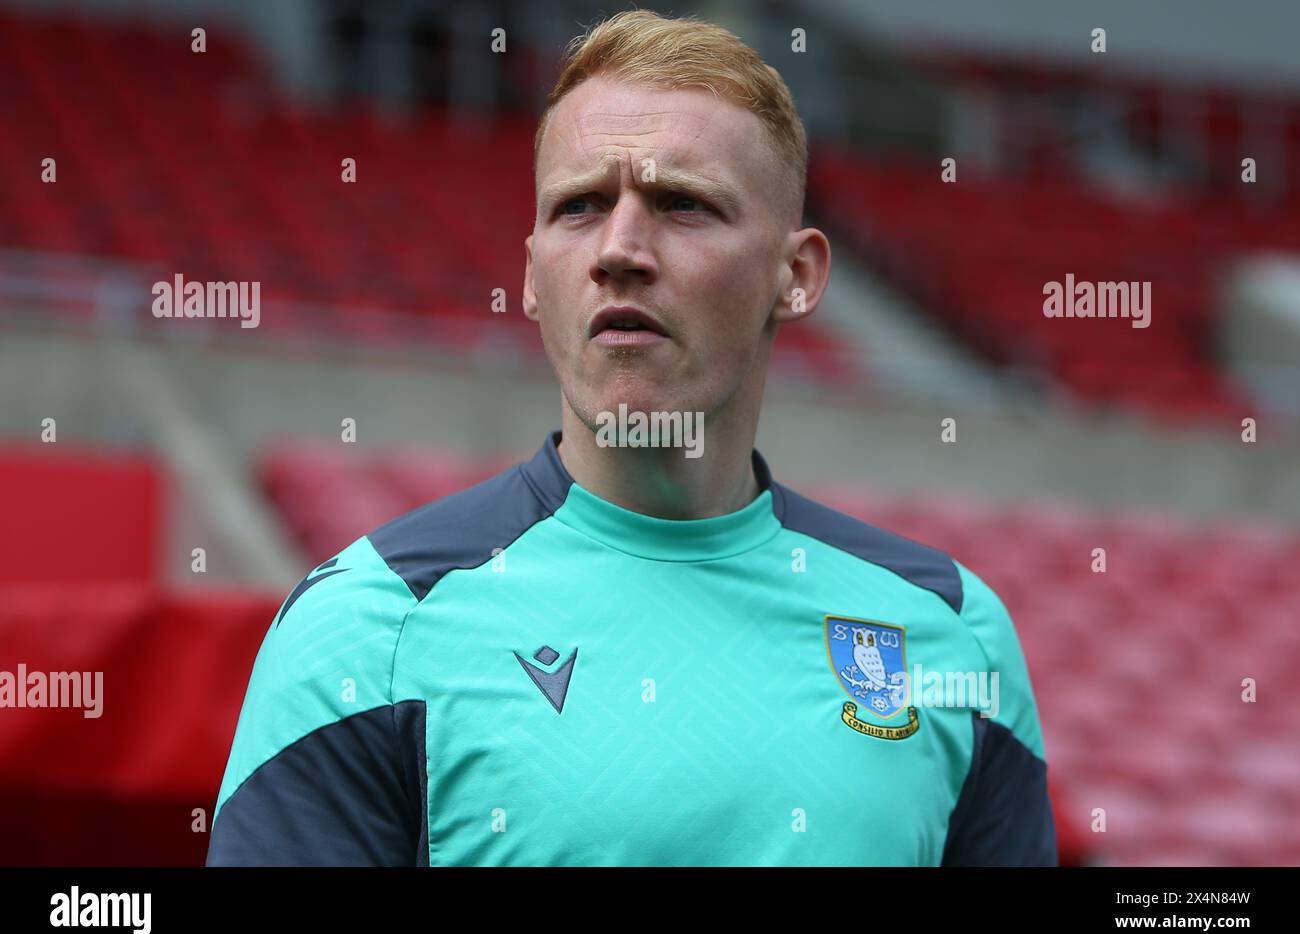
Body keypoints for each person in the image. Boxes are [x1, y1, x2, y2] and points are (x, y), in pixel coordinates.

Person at [207, 9, 1055, 866]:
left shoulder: (952, 630)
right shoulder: (370, 629)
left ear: (794, 277)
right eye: (579, 207)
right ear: (532, 276)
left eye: (682, 205)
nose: (619, 250)